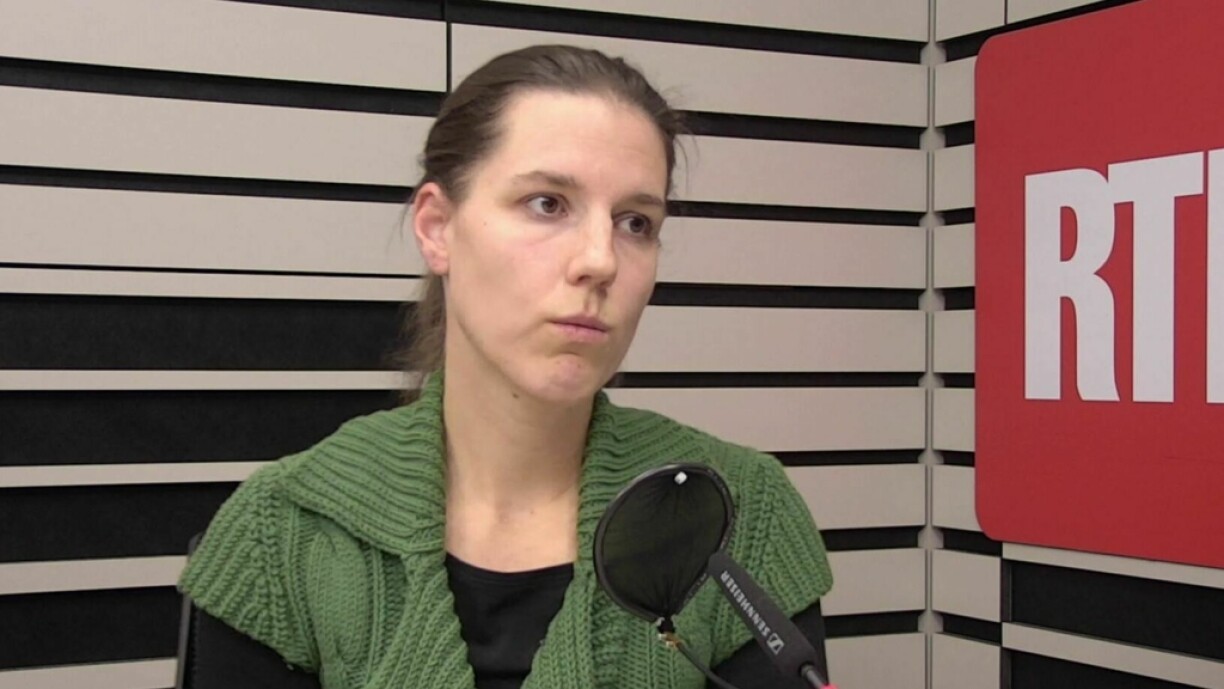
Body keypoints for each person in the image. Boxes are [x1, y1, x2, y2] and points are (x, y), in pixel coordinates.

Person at [178, 45, 833, 689]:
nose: (600, 260)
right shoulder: (280, 534)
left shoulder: (744, 517)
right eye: (548, 203)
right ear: (437, 227)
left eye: (635, 222)